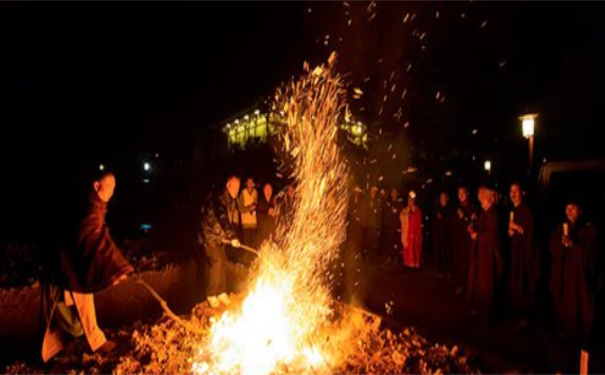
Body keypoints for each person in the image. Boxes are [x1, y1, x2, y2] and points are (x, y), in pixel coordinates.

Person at [41, 171, 133, 362]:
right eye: (109, 187)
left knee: (75, 309)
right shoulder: (89, 208)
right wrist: (117, 268)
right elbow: (94, 241)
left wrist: (117, 267)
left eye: (114, 187)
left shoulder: (95, 205)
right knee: (73, 303)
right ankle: (89, 342)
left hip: (72, 262)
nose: (112, 192)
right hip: (65, 263)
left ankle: (71, 342)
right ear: (96, 186)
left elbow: (100, 238)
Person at [549, 198, 597, 338]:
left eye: (573, 208)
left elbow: (591, 255)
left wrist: (573, 245)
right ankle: (564, 330)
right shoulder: (560, 227)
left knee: (578, 305)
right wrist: (561, 246)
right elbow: (552, 247)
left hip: (579, 277)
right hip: (564, 274)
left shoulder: (588, 229)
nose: (569, 211)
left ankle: (580, 333)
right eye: (567, 208)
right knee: (563, 305)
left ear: (580, 211)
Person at [199, 176, 242, 308]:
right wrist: (232, 235)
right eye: (234, 187)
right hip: (209, 235)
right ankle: (211, 294)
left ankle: (221, 292)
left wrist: (229, 235)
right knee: (216, 262)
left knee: (222, 261)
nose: (236, 190)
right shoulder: (219, 196)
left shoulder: (231, 200)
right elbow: (222, 216)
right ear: (228, 185)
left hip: (219, 236)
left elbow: (228, 220)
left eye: (238, 188)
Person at [467, 186, 503, 314]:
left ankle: (487, 310)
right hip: (482, 253)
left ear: (491, 200)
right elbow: (479, 226)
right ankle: (480, 306)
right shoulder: (484, 212)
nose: (481, 202)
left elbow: (493, 235)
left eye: (483, 199)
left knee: (487, 282)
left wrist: (478, 236)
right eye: (480, 199)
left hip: (489, 256)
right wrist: (473, 228)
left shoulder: (494, 214)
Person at [507, 183, 537, 323]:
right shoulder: (513, 209)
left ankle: (526, 317)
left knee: (523, 284)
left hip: (524, 255)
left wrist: (517, 227)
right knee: (515, 283)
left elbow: (530, 232)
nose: (512, 194)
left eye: (516, 191)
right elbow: (513, 233)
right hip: (515, 253)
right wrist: (511, 231)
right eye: (511, 191)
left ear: (522, 193)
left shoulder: (527, 210)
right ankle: (517, 314)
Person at [400, 190, 423, 268]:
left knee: (415, 248)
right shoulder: (405, 210)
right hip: (407, 232)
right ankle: (408, 263)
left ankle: (415, 262)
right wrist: (407, 215)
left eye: (412, 200)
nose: (410, 202)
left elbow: (419, 219)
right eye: (409, 200)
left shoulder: (417, 210)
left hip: (415, 232)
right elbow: (401, 217)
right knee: (408, 248)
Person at [432, 191, 452, 275]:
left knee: (446, 254)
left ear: (447, 199)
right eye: (441, 198)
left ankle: (447, 270)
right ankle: (439, 270)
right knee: (439, 253)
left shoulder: (450, 210)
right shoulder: (437, 210)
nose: (442, 199)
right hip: (439, 237)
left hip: (447, 237)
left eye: (444, 198)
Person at [238, 177, 258, 249]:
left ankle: (253, 260)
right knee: (247, 244)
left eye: (251, 182)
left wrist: (254, 206)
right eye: (248, 182)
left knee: (253, 244)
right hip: (245, 223)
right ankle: (246, 259)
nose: (250, 184)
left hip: (254, 222)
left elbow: (256, 204)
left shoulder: (255, 192)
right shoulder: (243, 192)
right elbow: (241, 208)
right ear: (246, 183)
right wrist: (249, 208)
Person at [256, 182, 277, 248]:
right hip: (262, 233)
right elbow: (259, 216)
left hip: (271, 232)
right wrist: (267, 213)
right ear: (264, 190)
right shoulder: (260, 202)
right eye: (267, 189)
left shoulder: (273, 202)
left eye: (270, 189)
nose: (268, 192)